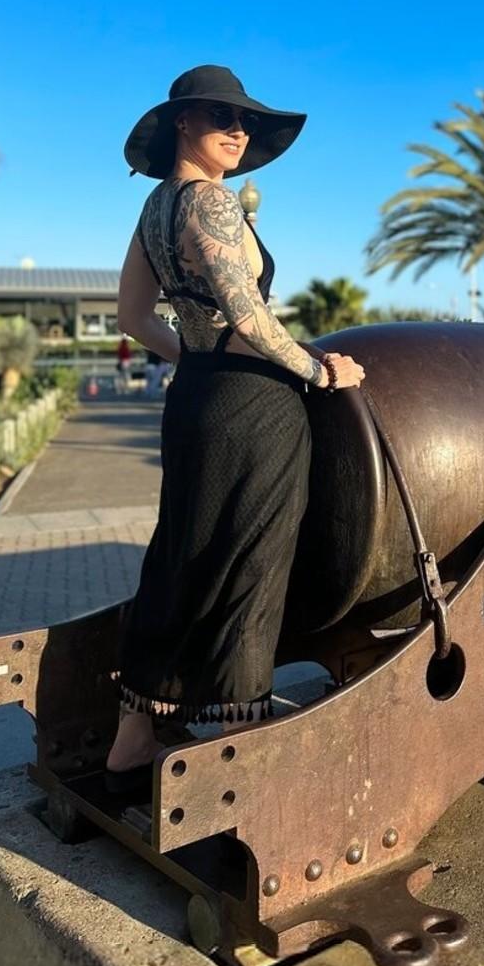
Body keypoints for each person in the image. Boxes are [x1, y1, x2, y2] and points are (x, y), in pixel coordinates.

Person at [106, 65, 365, 790]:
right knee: (249, 566)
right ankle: (235, 753)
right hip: (253, 407)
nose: (239, 130)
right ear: (183, 122)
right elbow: (248, 314)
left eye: (245, 120)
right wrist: (318, 369)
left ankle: (131, 742)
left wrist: (197, 357)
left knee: (179, 555)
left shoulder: (155, 208)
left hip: (194, 397)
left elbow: (132, 318)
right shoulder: (211, 202)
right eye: (223, 115)